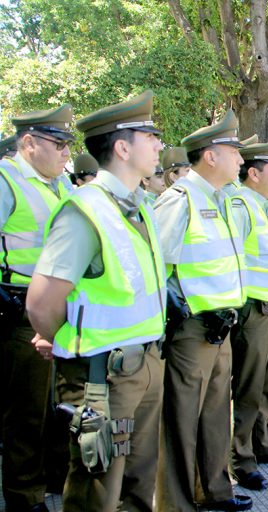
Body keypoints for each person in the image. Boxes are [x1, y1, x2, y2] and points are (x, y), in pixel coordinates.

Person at [25, 91, 166, 511]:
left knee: (138, 486)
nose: (159, 144)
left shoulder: (140, 206)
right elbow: (41, 303)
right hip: (101, 376)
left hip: (144, 364)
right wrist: (65, 339)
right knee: (98, 490)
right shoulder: (85, 210)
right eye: (150, 136)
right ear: (122, 147)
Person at [154, 110, 252, 512]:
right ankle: (175, 504)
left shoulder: (224, 198)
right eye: (235, 152)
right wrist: (188, 309)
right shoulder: (178, 199)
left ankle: (214, 490)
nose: (242, 161)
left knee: (215, 413)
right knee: (180, 419)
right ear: (210, 156)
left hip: (222, 324)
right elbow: (156, 265)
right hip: (193, 328)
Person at [1, 104, 74, 511]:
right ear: (28, 143)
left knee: (57, 408)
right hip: (19, 314)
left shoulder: (59, 185)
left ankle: (53, 482)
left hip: (60, 314)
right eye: (59, 143)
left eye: (68, 144)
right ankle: (23, 498)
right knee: (27, 414)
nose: (67, 152)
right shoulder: (6, 181)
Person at [226, 133, 268, 492]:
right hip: (254, 309)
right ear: (253, 173)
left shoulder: (267, 205)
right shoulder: (241, 204)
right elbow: (232, 260)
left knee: (266, 386)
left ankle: (263, 444)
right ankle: (240, 458)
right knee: (249, 388)